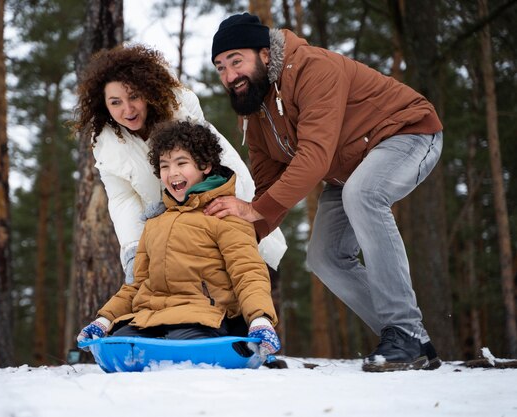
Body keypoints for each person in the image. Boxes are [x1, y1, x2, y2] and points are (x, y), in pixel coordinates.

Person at [206, 13, 444, 372]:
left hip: (406, 133)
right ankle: (410, 342)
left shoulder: (313, 68)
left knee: (363, 195)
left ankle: (405, 330)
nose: (229, 75)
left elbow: (314, 157)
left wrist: (255, 210)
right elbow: (267, 187)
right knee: (324, 257)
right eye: (220, 67)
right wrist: (236, 239)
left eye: (236, 61)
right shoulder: (255, 111)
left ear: (265, 54)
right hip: (346, 171)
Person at [74, 44, 286, 286]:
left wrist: (188, 216)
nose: (127, 109)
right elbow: (122, 199)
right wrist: (133, 250)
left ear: (147, 91)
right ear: (104, 105)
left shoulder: (178, 109)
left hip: (215, 203)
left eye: (133, 96)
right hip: (168, 230)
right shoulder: (106, 143)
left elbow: (209, 171)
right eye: (116, 102)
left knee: (241, 273)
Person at [77, 120, 281, 360]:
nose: (172, 172)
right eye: (164, 166)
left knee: (179, 350)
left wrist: (260, 318)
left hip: (203, 317)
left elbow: (248, 272)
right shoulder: (155, 224)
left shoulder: (225, 216)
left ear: (205, 165)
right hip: (150, 319)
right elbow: (137, 284)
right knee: (117, 346)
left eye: (181, 163)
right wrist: (105, 318)